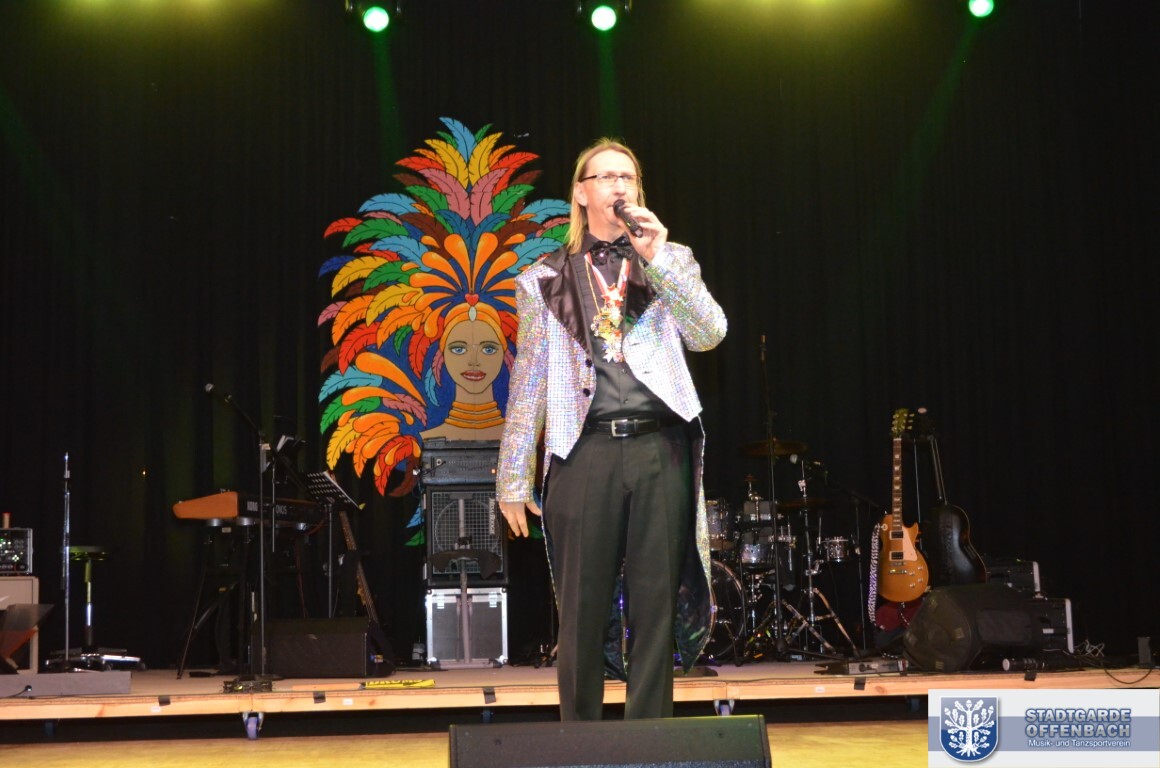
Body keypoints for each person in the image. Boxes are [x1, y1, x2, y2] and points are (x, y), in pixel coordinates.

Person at [496, 138, 727, 720]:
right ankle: (581, 739)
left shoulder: (672, 260)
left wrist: (659, 258)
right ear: (581, 193)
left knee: (654, 606)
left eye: (628, 177)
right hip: (585, 450)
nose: (618, 186)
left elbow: (710, 333)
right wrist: (513, 477)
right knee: (581, 607)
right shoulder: (542, 278)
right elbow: (528, 382)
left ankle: (648, 741)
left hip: (659, 448)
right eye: (605, 176)